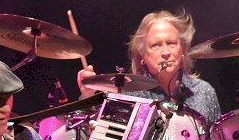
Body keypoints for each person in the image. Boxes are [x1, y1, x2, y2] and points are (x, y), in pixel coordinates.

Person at [77, 9, 221, 131]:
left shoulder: (204, 91)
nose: (165, 52)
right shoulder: (130, 95)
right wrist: (86, 96)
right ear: (142, 56)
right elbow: (89, 132)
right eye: (155, 45)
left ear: (182, 49)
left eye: (171, 43)